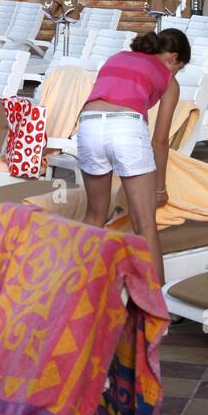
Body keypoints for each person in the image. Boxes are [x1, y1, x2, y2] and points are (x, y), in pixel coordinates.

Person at [76, 27, 191, 283]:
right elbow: (160, 142)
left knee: (94, 215)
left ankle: (76, 293)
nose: (174, 73)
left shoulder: (117, 57)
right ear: (172, 57)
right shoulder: (169, 79)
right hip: (126, 126)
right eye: (179, 67)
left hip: (88, 122)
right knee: (145, 224)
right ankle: (156, 309)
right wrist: (160, 188)